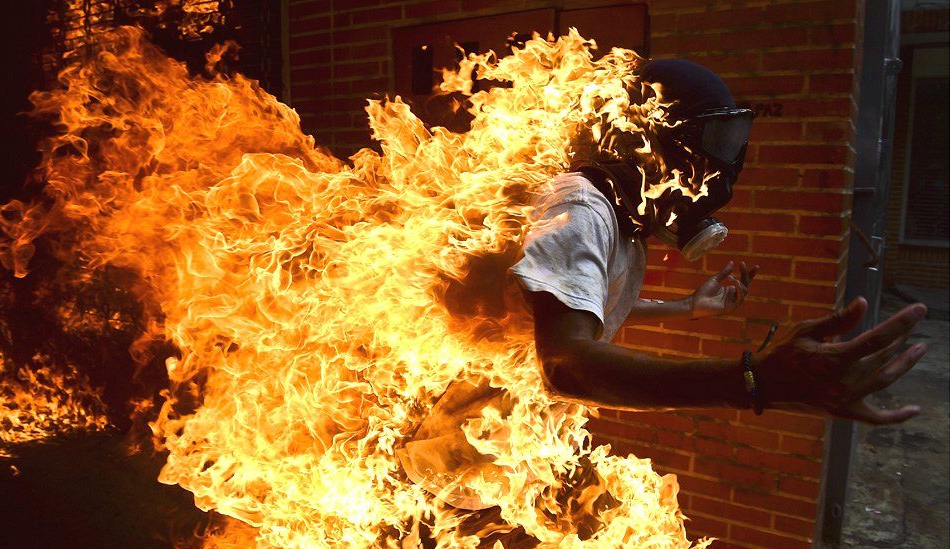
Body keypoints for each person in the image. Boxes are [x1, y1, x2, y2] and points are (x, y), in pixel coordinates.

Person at [394, 57, 929, 545]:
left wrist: (684, 308)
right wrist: (753, 380)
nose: (726, 164)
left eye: (735, 138)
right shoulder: (581, 207)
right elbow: (566, 365)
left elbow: (579, 308)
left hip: (521, 452)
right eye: (715, 138)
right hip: (459, 470)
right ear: (650, 137)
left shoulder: (625, 220)